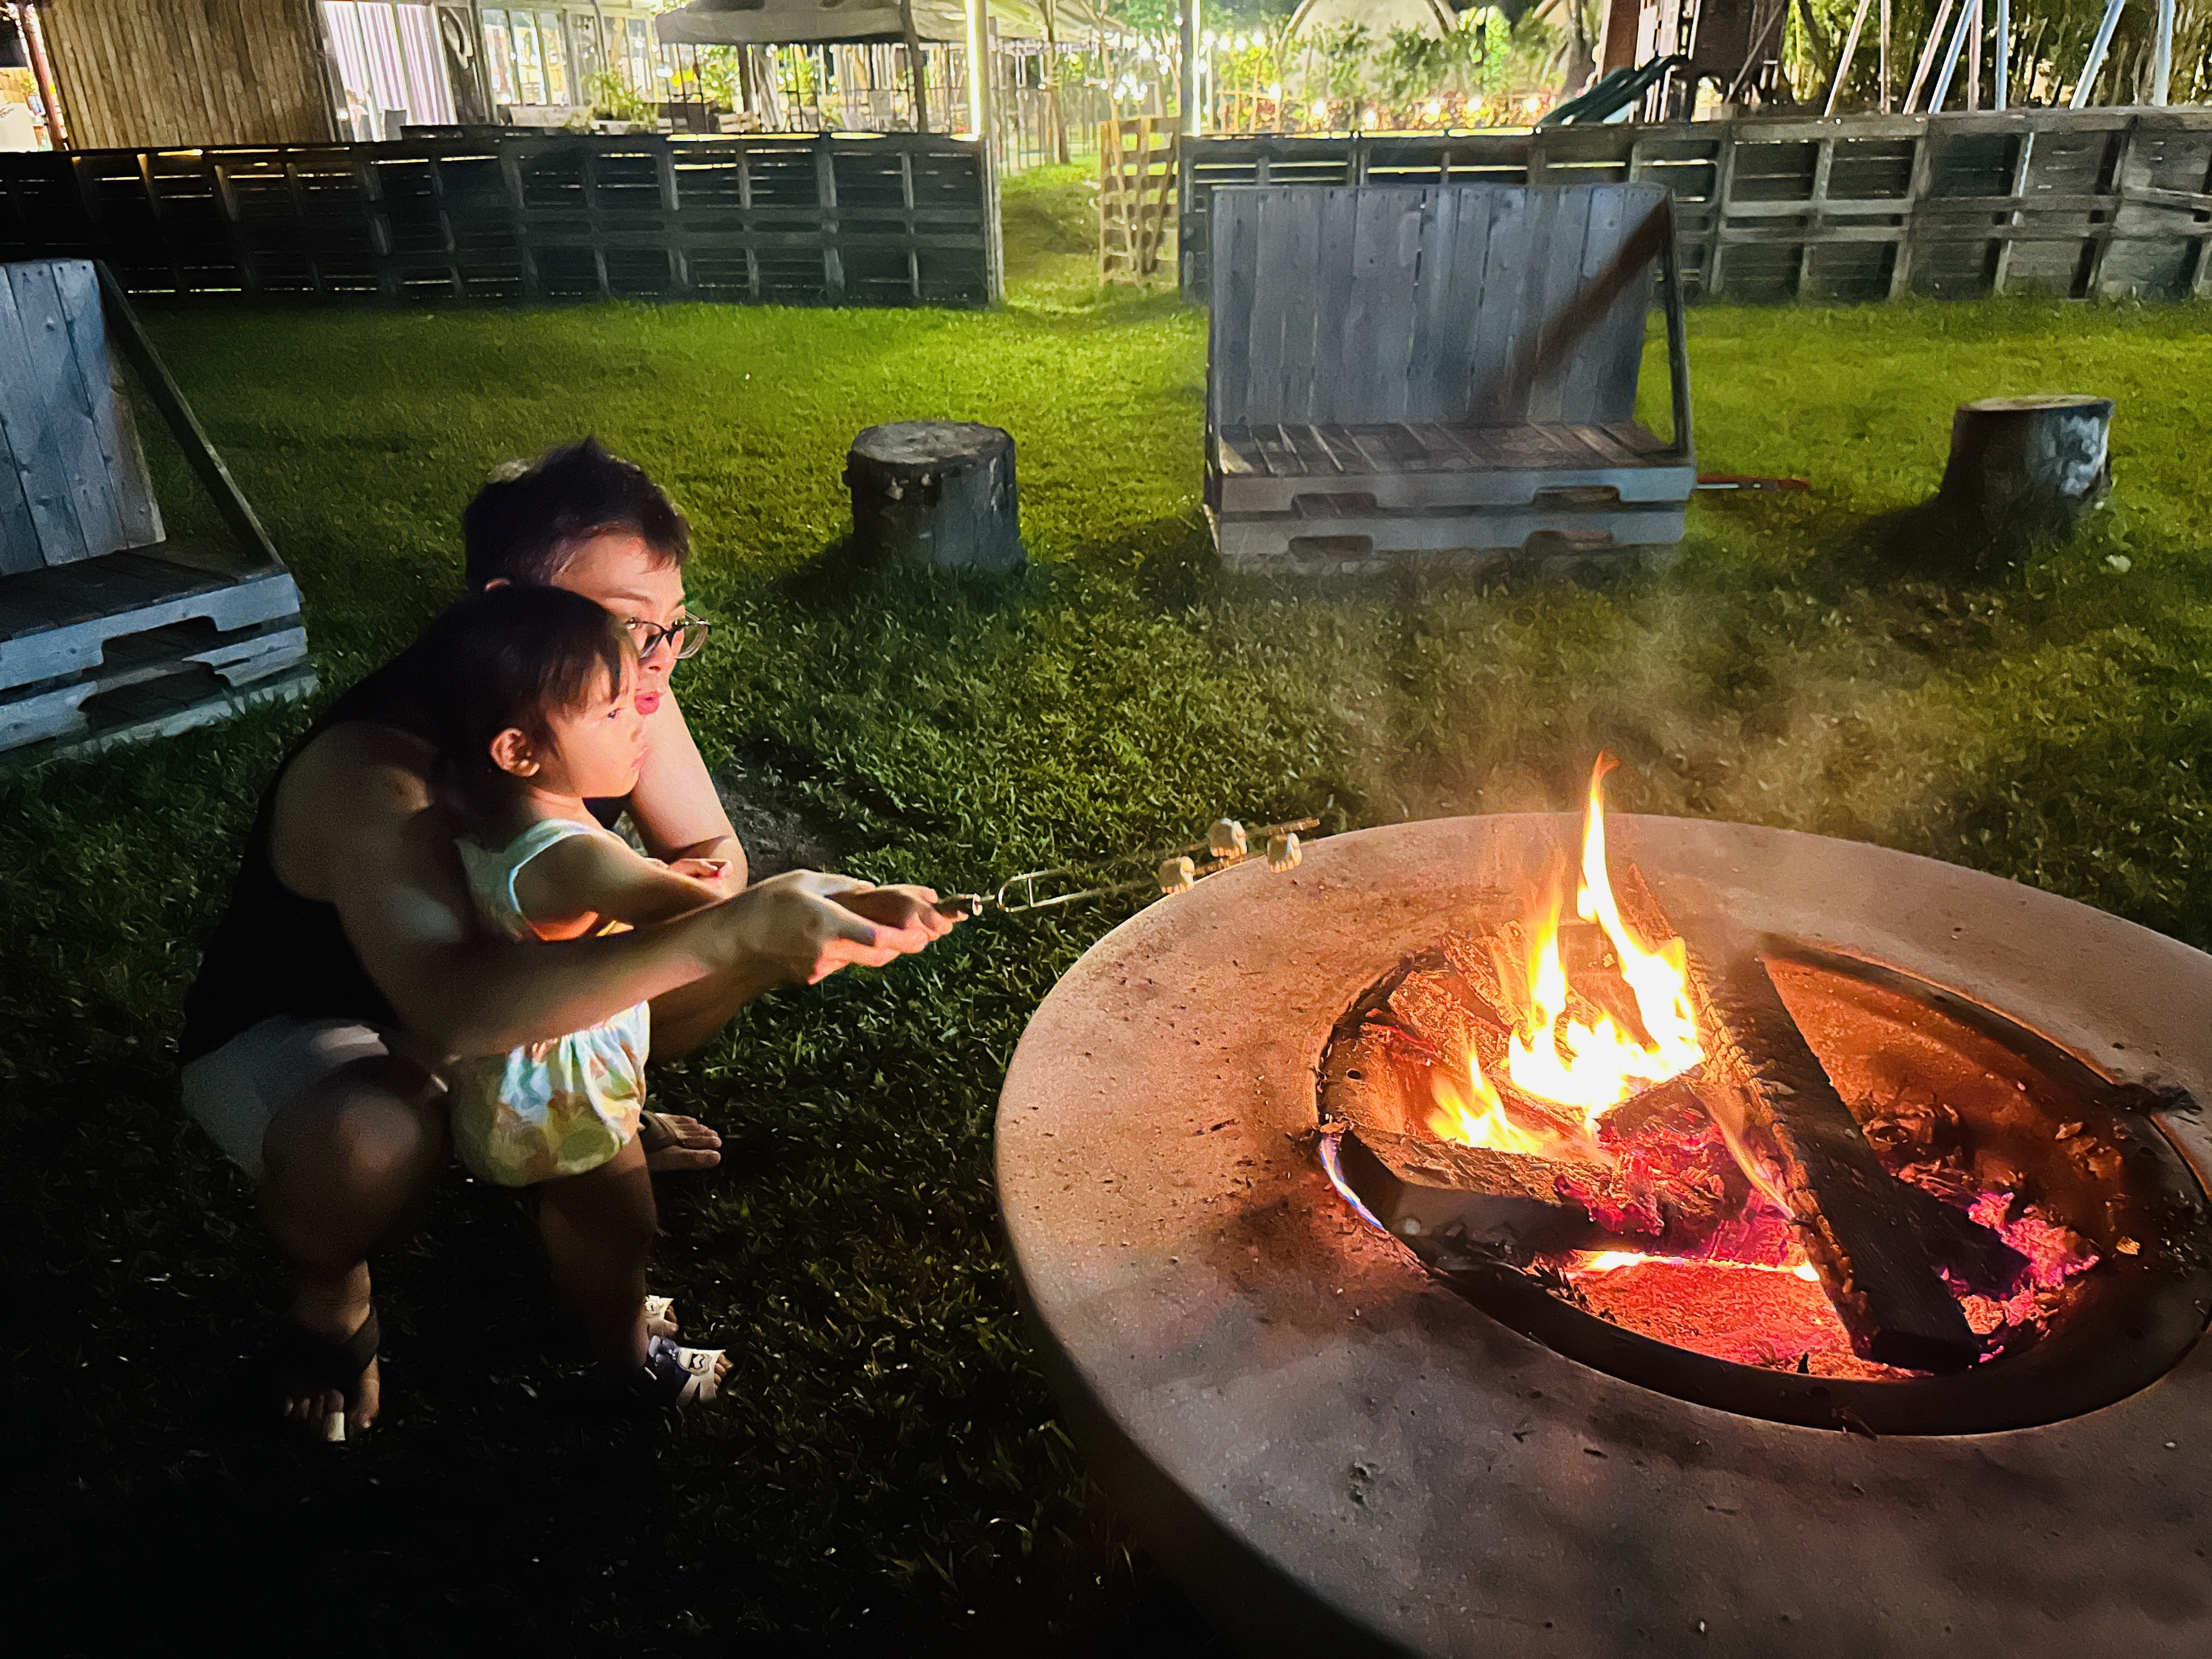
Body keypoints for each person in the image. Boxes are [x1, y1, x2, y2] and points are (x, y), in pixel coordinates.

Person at [179, 439, 957, 1436]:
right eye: (636, 630)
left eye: (674, 630)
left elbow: (709, 854)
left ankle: (582, 1121)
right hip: (335, 1029)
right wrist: (723, 933)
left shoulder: (608, 682)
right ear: (509, 606)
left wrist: (727, 916)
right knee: (370, 1137)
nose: (660, 666)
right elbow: (455, 1005)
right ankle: (331, 1295)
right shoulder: (374, 774)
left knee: (689, 962)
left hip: (502, 1000)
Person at [428, 585, 734, 1403]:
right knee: (622, 1219)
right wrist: (824, 914)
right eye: (609, 714)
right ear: (519, 750)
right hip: (563, 1098)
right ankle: (629, 1357)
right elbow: (709, 914)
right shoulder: (569, 854)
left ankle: (609, 1296)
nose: (640, 721)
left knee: (588, 1216)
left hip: (521, 1079)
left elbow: (587, 901)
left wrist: (653, 879)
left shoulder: (513, 822)